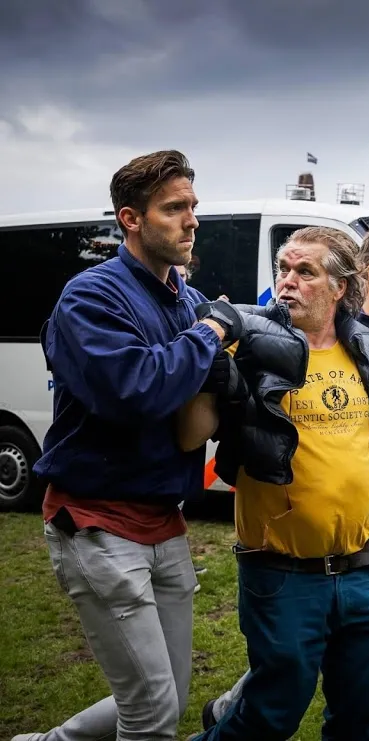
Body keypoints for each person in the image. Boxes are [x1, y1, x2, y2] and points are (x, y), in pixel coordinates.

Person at [14, 150, 240, 741]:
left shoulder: (185, 300)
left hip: (165, 520)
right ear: (130, 219)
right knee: (152, 710)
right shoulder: (91, 297)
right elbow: (137, 390)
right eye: (173, 209)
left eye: (192, 206)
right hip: (98, 522)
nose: (191, 220)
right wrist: (213, 333)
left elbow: (195, 413)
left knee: (166, 694)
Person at [183, 226, 369, 740]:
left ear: (340, 287)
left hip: (364, 569)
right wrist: (210, 364)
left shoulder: (366, 346)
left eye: (305, 271)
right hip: (282, 574)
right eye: (284, 269)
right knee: (269, 717)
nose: (288, 282)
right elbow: (192, 437)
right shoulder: (250, 346)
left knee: (362, 722)